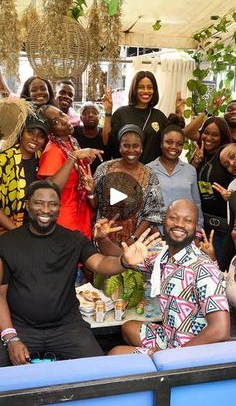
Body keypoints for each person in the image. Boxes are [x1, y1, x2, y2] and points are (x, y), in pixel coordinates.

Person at [0, 180, 160, 366]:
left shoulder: (73, 239)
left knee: (97, 373)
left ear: (59, 208)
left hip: (67, 328)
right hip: (20, 328)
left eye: (52, 204)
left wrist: (124, 261)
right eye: (38, 203)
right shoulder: (7, 243)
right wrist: (11, 338)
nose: (45, 209)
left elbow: (100, 263)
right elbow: (1, 294)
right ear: (27, 205)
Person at [107, 199, 230, 355]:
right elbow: (124, 258)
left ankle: (163, 367)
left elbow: (221, 329)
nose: (179, 224)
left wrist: (173, 356)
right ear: (164, 222)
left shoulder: (203, 268)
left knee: (115, 353)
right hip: (171, 336)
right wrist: (102, 239)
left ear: (195, 228)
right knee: (128, 327)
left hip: (192, 349)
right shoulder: (163, 257)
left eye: (187, 220)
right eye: (173, 217)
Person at [89, 124, 166, 245]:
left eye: (135, 146)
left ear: (141, 148)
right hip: (104, 237)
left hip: (135, 242)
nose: (131, 150)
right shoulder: (104, 169)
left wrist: (132, 239)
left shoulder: (150, 175)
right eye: (126, 145)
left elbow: (152, 214)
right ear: (119, 147)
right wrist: (90, 193)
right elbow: (95, 206)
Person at [38, 105, 104, 239]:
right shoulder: (53, 151)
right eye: (55, 122)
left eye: (62, 114)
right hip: (65, 222)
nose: (63, 120)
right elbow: (50, 191)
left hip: (81, 216)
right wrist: (74, 156)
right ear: (49, 131)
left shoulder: (72, 141)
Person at [0, 102, 49, 234]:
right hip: (8, 232)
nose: (35, 138)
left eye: (41, 135)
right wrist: (17, 232)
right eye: (30, 132)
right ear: (21, 132)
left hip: (36, 230)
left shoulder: (43, 160)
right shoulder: (3, 161)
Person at [148, 125, 204, 234]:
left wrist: (197, 234)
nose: (174, 147)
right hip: (156, 233)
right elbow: (144, 206)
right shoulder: (148, 170)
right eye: (169, 142)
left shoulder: (190, 170)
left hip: (184, 233)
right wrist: (154, 233)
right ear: (161, 144)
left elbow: (196, 204)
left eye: (179, 144)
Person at [191, 116, 233, 260]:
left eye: (215, 135)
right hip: (203, 225)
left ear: (222, 137)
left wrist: (232, 196)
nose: (208, 137)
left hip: (224, 228)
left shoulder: (225, 155)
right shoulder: (200, 155)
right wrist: (196, 163)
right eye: (206, 132)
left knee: (220, 269)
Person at [108, 70, 167, 164]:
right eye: (141, 87)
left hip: (151, 173)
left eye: (150, 87)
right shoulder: (121, 113)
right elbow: (108, 142)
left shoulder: (160, 116)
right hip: (125, 172)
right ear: (134, 89)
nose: (146, 91)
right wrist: (108, 112)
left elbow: (168, 145)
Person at [73, 101, 108, 174]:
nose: (90, 115)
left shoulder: (105, 134)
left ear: (100, 117)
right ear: (81, 118)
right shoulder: (74, 133)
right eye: (85, 113)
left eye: (95, 113)